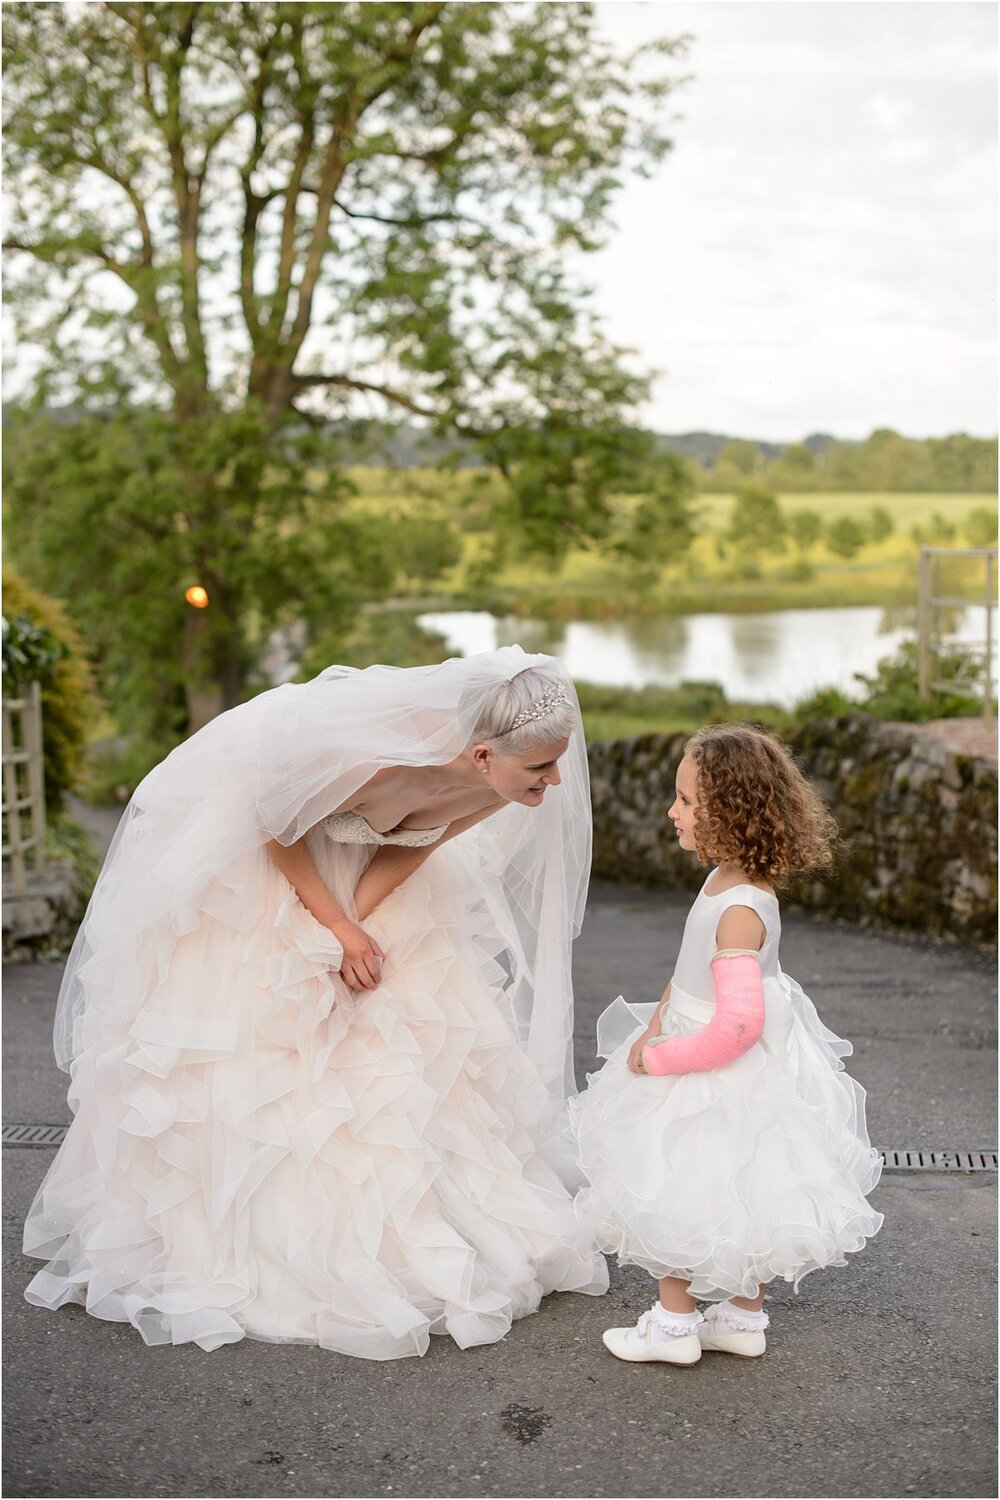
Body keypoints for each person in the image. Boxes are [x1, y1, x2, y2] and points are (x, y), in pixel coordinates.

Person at [24, 647, 608, 1359]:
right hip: (262, 846)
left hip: (357, 867)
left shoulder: (500, 788)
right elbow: (277, 822)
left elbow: (415, 844)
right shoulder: (379, 759)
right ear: (482, 752)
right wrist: (325, 927)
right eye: (539, 769)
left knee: (393, 1017)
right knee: (261, 1028)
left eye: (556, 764)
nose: (553, 783)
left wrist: (355, 929)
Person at [571, 723, 882, 1365]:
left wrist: (659, 1057)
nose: (672, 811)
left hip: (713, 1071)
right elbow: (690, 973)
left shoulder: (739, 906)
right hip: (716, 1051)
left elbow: (736, 1027)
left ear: (731, 815)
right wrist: (656, 1019)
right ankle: (742, 1318)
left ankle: (674, 1325)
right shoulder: (725, 880)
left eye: (686, 802)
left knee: (680, 1185)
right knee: (747, 1190)